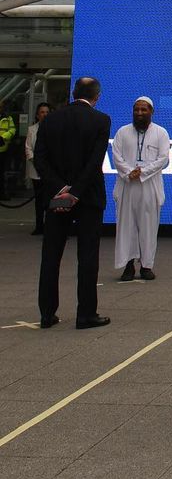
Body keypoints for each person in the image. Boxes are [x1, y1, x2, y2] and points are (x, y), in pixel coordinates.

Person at [35, 77, 111, 329]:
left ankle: (47, 313)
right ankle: (86, 313)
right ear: (96, 96)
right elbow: (95, 161)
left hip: (56, 196)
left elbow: (40, 159)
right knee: (87, 256)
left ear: (73, 92)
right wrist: (76, 191)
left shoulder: (51, 120)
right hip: (88, 197)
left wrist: (60, 188)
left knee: (51, 255)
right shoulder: (101, 120)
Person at [112, 96, 171, 281]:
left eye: (144, 109)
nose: (139, 113)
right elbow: (116, 156)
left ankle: (146, 266)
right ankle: (128, 265)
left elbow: (163, 159)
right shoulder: (122, 132)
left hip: (150, 186)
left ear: (151, 111)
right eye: (136, 109)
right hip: (127, 186)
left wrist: (143, 172)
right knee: (126, 227)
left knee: (148, 227)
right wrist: (129, 172)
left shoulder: (161, 133)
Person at [24, 102, 51, 235]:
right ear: (37, 115)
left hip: (50, 171)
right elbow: (28, 148)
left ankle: (51, 226)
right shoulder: (32, 130)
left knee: (50, 200)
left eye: (47, 112)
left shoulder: (55, 128)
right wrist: (36, 162)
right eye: (42, 112)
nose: (44, 114)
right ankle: (39, 225)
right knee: (39, 200)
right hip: (36, 170)